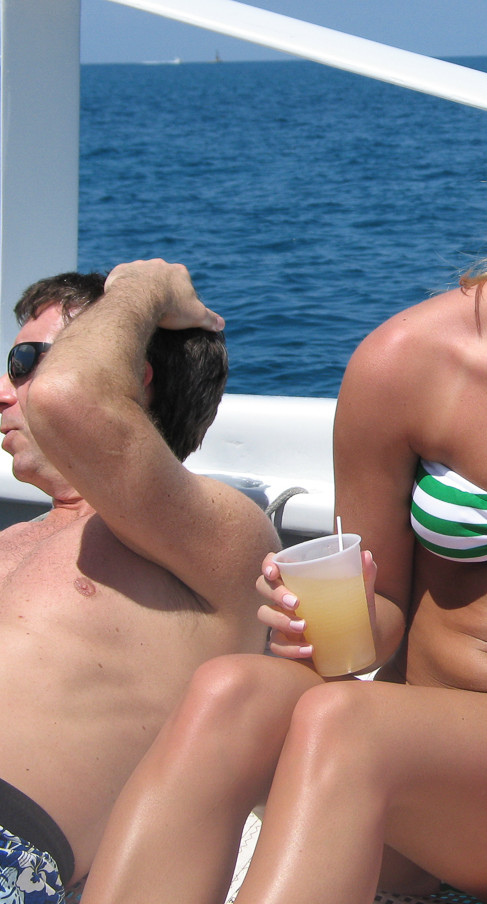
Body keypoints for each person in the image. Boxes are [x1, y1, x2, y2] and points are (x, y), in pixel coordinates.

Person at [82, 63, 487, 904]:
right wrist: (325, 622)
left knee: (346, 725)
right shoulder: (404, 366)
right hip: (418, 733)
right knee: (227, 690)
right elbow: (378, 617)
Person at [0, 263, 277, 903]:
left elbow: (69, 396)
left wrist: (146, 286)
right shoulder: (17, 540)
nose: (6, 392)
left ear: (130, 376)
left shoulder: (220, 536)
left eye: (24, 363)